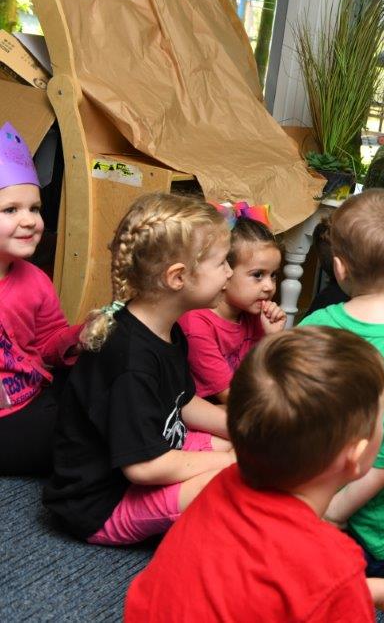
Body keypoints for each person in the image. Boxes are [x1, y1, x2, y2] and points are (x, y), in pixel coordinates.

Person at [124, 326, 384, 621]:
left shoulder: (221, 486)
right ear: (355, 457)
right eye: (382, 416)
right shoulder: (333, 565)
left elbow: (260, 587)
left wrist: (372, 590)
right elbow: (308, 582)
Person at [43, 193, 236, 545]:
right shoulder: (131, 361)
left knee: (238, 446)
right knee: (236, 476)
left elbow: (182, 402)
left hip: (151, 452)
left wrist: (239, 428)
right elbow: (145, 468)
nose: (230, 272)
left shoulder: (165, 326)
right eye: (223, 263)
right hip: (103, 504)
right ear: (178, 278)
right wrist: (233, 464)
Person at [299, 188, 384, 577]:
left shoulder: (313, 325)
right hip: (377, 536)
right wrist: (333, 514)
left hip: (300, 501)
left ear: (339, 268)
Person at [0, 122, 82, 476]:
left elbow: (49, 343)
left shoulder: (35, 280)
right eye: (11, 210)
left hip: (33, 392)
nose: (30, 221)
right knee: (74, 442)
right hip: (6, 418)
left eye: (34, 209)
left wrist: (81, 336)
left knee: (102, 379)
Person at [179, 211, 286, 403]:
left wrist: (273, 338)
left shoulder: (256, 315)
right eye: (258, 275)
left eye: (274, 275)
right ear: (225, 273)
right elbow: (232, 397)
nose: (269, 287)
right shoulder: (196, 324)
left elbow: (272, 376)